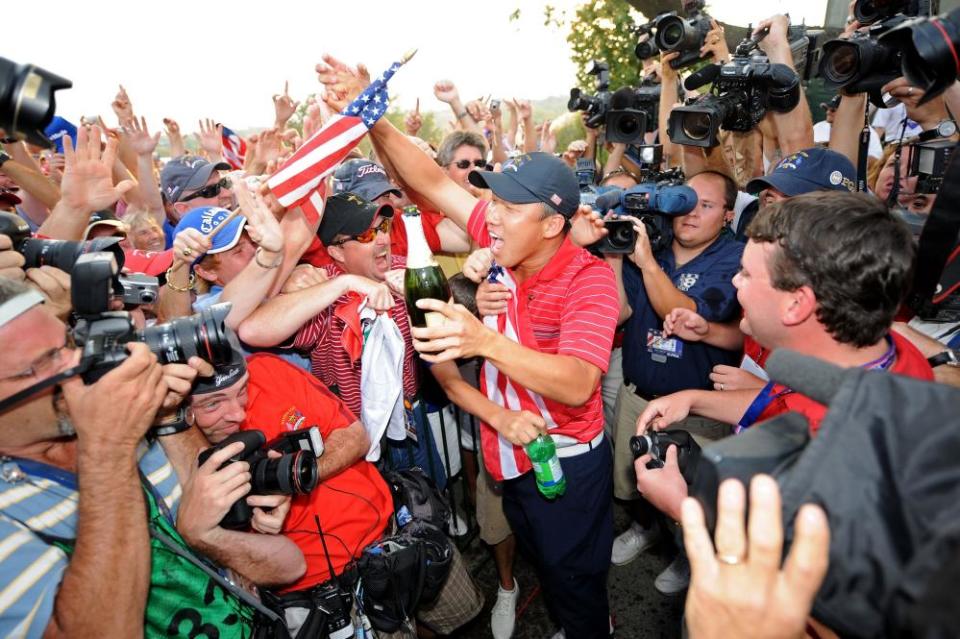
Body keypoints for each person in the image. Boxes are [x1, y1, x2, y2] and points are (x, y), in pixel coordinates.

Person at [315, 55, 620, 638]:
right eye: (493, 204)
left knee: (573, 575)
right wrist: (372, 116)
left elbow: (581, 383)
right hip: (508, 451)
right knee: (541, 556)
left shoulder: (589, 280)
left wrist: (483, 339)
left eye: (508, 207)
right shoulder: (506, 239)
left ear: (552, 225)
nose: (490, 216)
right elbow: (429, 182)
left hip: (565, 464)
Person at [0, 275, 304, 637]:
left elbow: (263, 551)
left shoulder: (138, 423)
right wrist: (109, 451)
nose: (78, 364)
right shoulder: (13, 513)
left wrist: (169, 417)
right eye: (44, 363)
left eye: (68, 343)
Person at [634, 191, 934, 523]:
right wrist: (693, 399)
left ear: (796, 305)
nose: (735, 281)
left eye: (746, 274)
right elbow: (784, 402)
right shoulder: (869, 350)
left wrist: (681, 507)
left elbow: (781, 567)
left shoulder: (828, 458)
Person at [189, 351, 483, 637]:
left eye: (242, 391)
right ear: (182, 409)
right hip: (330, 590)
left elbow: (356, 436)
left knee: (460, 617)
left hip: (395, 529)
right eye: (213, 405)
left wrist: (300, 476)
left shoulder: (266, 369)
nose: (237, 412)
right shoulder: (186, 457)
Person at [607, 170, 744, 593]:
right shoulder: (656, 244)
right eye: (686, 202)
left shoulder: (735, 257)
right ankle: (646, 530)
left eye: (706, 205)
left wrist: (645, 263)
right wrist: (615, 254)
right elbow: (620, 313)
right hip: (637, 395)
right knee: (634, 484)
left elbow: (682, 314)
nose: (691, 213)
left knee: (694, 497)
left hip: (699, 411)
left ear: (726, 214)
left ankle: (689, 557)